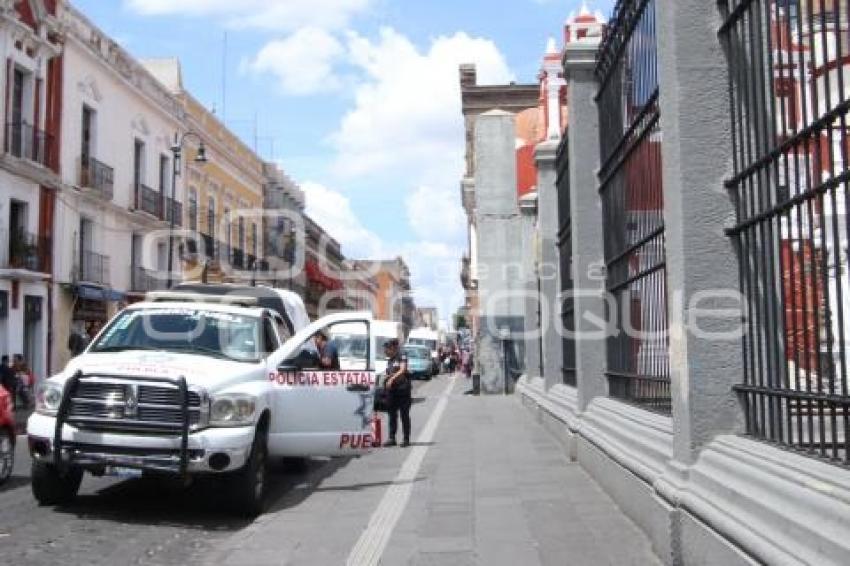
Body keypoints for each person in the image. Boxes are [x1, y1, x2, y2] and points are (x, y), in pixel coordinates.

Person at [383, 338, 411, 447]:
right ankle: (392, 438)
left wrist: (391, 379)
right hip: (392, 391)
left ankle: (406, 439)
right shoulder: (390, 359)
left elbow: (403, 369)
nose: (385, 351)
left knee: (404, 415)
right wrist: (387, 377)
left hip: (402, 389)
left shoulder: (401, 355)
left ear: (393, 348)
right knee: (392, 414)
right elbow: (391, 371)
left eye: (387, 349)